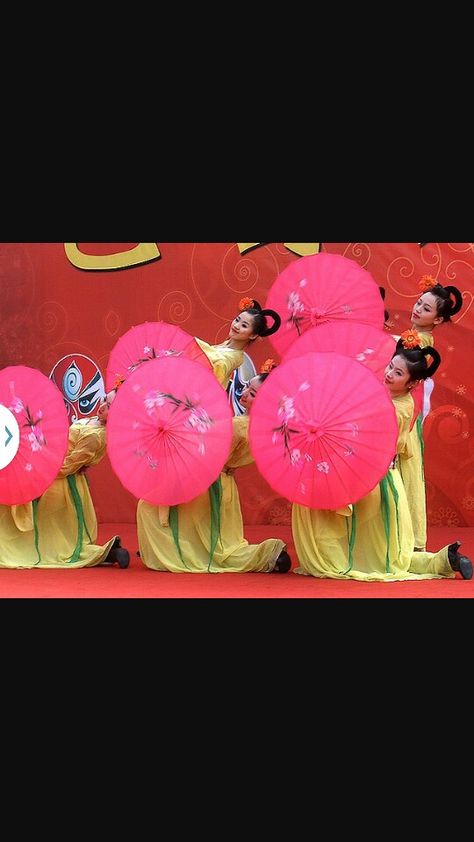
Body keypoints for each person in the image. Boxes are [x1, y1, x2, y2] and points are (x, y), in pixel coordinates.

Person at [292, 339, 473, 581]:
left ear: (413, 383)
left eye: (398, 373)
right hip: (364, 476)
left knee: (384, 557)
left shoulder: (399, 408)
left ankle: (440, 561)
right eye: (390, 367)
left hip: (376, 481)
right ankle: (444, 560)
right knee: (381, 554)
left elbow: (366, 435)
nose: (389, 374)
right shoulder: (382, 394)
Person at [137, 360, 291, 573]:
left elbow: (208, 456)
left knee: (148, 506)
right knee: (218, 541)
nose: (244, 392)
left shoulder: (238, 426)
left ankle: (266, 554)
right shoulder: (263, 428)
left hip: (207, 482)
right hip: (224, 484)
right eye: (247, 386)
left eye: (253, 393)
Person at [0, 387, 130, 569]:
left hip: (61, 484)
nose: (101, 407)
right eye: (104, 400)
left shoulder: (97, 436)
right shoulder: (93, 421)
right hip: (53, 473)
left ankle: (107, 552)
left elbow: (69, 465)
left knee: (53, 538)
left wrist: (40, 471)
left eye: (108, 406)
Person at [399, 275, 463, 550]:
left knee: (406, 472)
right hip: (401, 412)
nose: (417, 309)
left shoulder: (422, 343)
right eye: (418, 303)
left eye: (426, 309)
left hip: (404, 416)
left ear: (437, 320)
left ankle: (411, 540)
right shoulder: (411, 337)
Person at [195, 298, 281, 389]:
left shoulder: (232, 358)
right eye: (237, 320)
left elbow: (220, 366)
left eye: (244, 325)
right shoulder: (227, 344)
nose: (236, 326)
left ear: (253, 335)